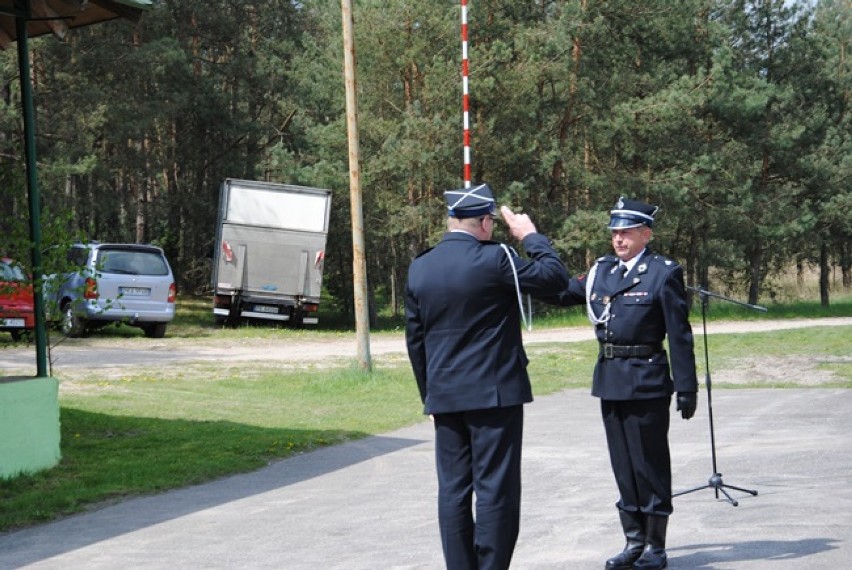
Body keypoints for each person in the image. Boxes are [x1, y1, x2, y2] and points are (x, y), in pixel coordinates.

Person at [405, 183, 570, 570]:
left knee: (453, 491)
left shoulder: (420, 266)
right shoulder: (497, 258)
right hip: (494, 396)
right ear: (482, 222)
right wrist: (530, 236)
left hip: (444, 396)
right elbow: (555, 278)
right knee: (496, 489)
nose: (493, 229)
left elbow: (415, 341)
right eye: (491, 223)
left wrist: (428, 395)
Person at [549, 197, 698, 570]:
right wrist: (520, 272)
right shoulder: (601, 272)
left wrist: (687, 386)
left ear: (645, 234)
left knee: (649, 463)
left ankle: (655, 546)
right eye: (615, 233)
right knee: (623, 465)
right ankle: (633, 541)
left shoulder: (663, 273)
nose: (618, 239)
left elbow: (679, 335)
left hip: (647, 379)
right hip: (611, 378)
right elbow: (562, 292)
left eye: (626, 232)